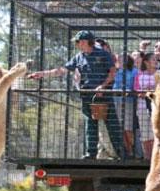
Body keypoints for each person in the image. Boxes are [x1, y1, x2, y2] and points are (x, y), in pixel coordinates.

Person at [28, 30, 121, 159]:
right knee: (90, 124)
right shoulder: (79, 57)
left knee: (112, 124)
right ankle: (91, 153)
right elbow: (62, 70)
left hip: (103, 94)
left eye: (79, 42)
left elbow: (112, 72)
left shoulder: (103, 54)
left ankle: (122, 153)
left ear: (86, 42)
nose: (77, 45)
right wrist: (42, 74)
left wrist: (103, 86)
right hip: (87, 95)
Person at [134, 52, 160, 159]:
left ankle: (156, 158)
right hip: (142, 107)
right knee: (145, 134)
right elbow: (137, 91)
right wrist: (146, 93)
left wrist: (149, 93)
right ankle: (147, 157)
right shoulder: (140, 75)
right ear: (146, 62)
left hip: (157, 107)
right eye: (153, 59)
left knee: (156, 133)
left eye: (156, 60)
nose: (155, 61)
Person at [113, 54, 138, 157]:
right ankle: (126, 151)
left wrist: (129, 91)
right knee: (120, 128)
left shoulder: (134, 71)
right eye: (119, 58)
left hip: (128, 102)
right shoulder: (116, 71)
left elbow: (135, 86)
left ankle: (132, 149)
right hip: (116, 100)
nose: (120, 60)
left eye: (123, 58)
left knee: (128, 127)